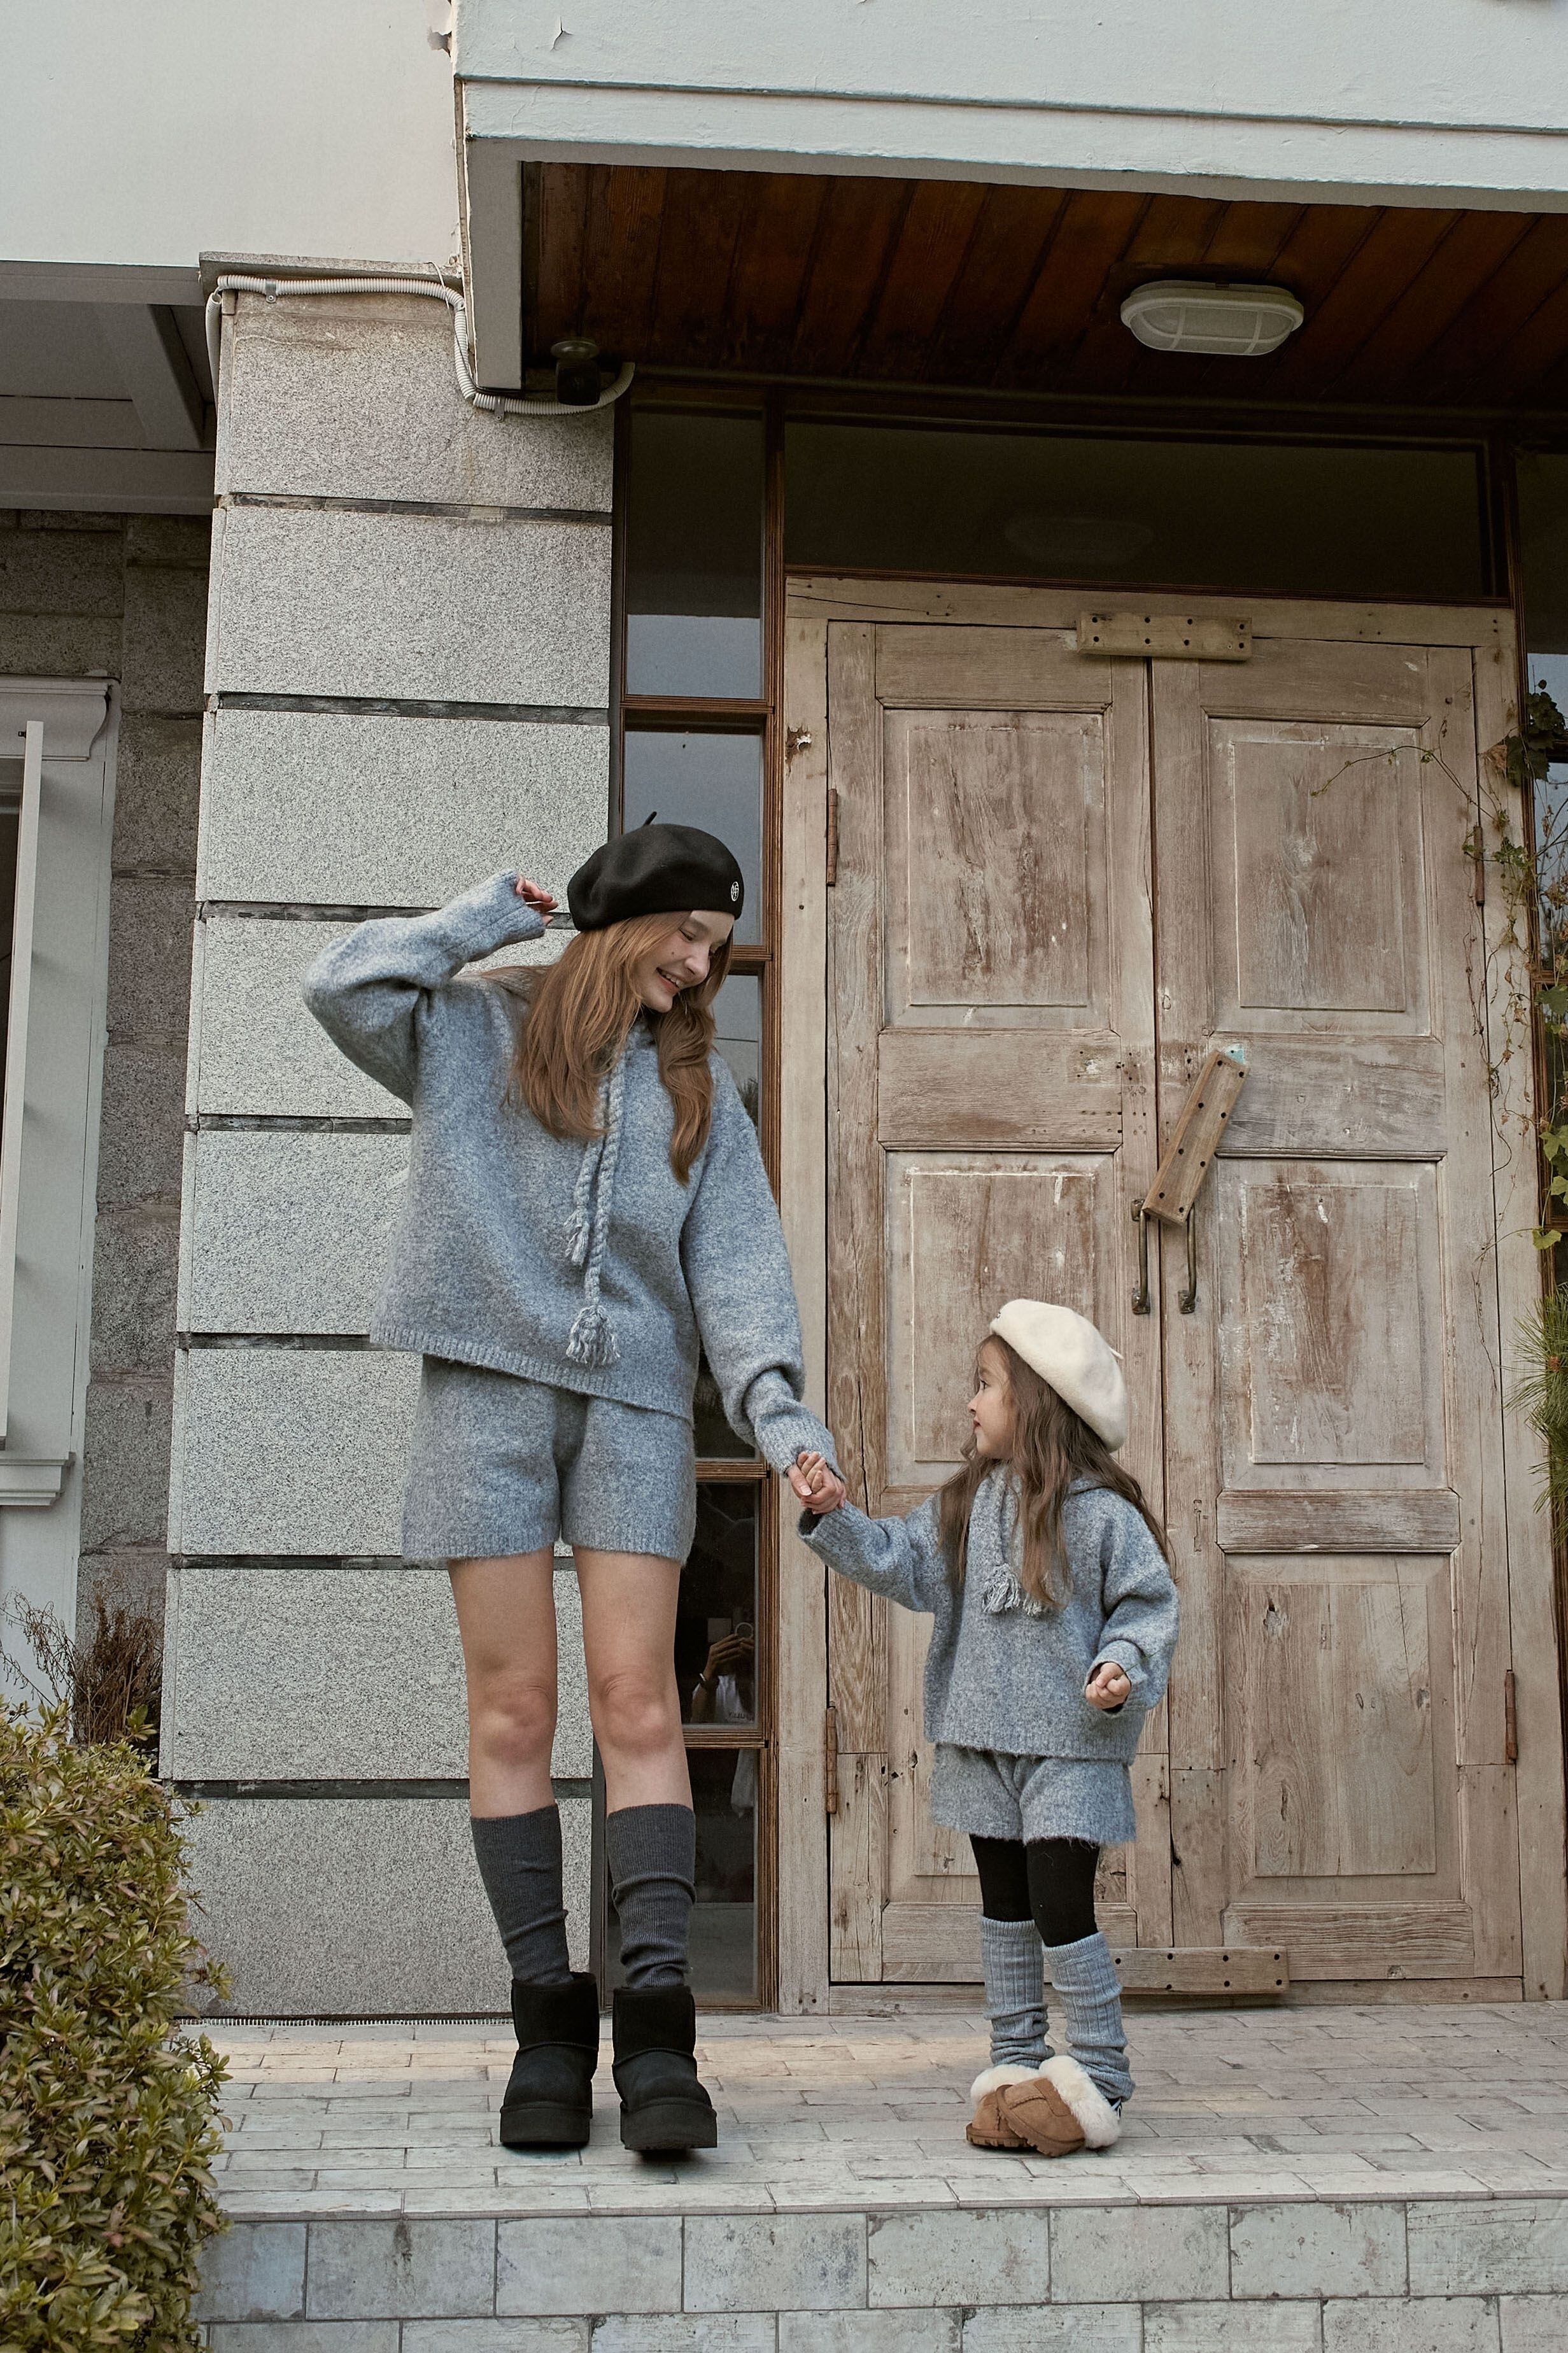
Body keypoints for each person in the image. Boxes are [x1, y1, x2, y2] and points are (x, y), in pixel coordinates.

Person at [302, 823, 838, 2156]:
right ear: (622, 925)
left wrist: (779, 1414)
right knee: (512, 1708)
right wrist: (484, 917)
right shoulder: (472, 1031)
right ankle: (547, 2029)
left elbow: (738, 1265)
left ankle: (656, 2034)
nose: (699, 967)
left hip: (638, 1405)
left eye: (716, 947)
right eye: (686, 936)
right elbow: (341, 985)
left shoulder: (695, 1087)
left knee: (636, 1699)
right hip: (482, 1390)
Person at [795, 1299, 1178, 2158]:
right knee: (1005, 1910)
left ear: (1037, 1402)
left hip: (1070, 1749)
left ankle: (1102, 2076)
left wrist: (1123, 1664)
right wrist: (834, 1513)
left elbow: (1147, 1607)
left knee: (1060, 1905)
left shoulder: (1103, 1516)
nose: (970, 1402)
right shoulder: (966, 1503)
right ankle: (1014, 2068)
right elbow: (899, 1561)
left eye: (987, 1385)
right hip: (982, 1744)